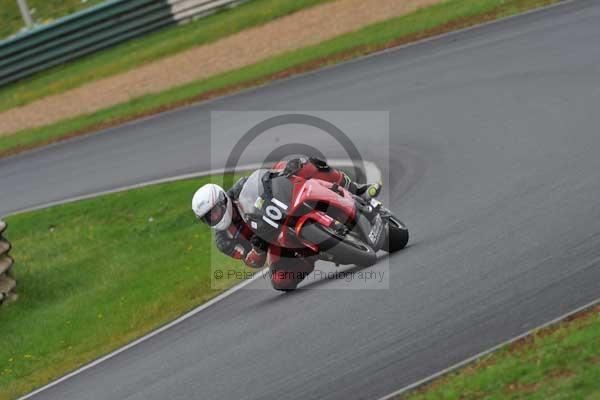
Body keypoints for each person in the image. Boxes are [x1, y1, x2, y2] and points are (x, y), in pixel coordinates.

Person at [192, 157, 381, 290]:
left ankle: (355, 189)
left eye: (215, 211)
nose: (215, 217)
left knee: (304, 165)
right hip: (276, 243)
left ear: (222, 200)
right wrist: (257, 251)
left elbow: (265, 180)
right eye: (209, 217)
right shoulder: (224, 240)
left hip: (287, 207)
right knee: (279, 281)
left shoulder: (240, 188)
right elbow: (251, 262)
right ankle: (307, 260)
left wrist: (284, 171)